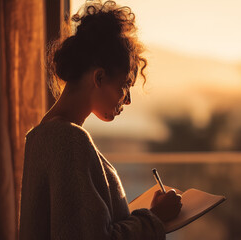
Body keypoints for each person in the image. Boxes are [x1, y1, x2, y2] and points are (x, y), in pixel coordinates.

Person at [19, 1, 182, 239]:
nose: (127, 101)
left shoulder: (41, 137)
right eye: (125, 85)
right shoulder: (69, 140)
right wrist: (155, 218)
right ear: (99, 77)